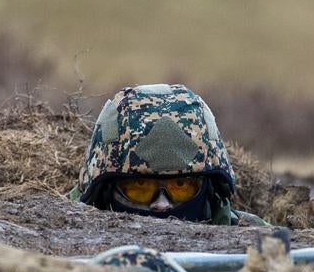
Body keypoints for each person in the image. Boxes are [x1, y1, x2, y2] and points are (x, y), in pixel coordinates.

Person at [72, 83, 259, 225]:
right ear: (102, 193)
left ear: (209, 190)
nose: (162, 205)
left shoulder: (257, 242)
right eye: (140, 185)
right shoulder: (59, 239)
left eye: (180, 185)